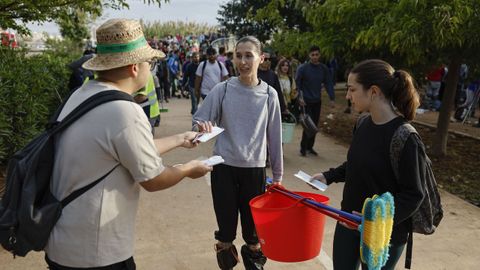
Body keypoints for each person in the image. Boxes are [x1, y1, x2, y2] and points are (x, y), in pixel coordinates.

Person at [44, 19, 212, 270]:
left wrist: (179, 139)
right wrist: (188, 169)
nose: (151, 69)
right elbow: (153, 179)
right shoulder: (124, 111)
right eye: (150, 63)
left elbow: (121, 151)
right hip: (97, 251)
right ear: (135, 67)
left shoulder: (82, 95)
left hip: (63, 242)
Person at [310, 59, 425, 270]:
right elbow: (357, 163)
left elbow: (414, 195)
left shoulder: (405, 138)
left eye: (352, 89)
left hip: (383, 234)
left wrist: (374, 219)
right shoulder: (363, 123)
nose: (347, 96)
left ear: (373, 91)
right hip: (348, 223)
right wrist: (329, 176)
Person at [192, 36, 283, 270]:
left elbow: (275, 137)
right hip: (223, 169)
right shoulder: (223, 90)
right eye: (238, 55)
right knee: (225, 235)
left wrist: (279, 177)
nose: (243, 61)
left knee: (253, 237)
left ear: (261, 59)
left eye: (248, 56)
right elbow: (199, 120)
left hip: (254, 171)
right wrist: (201, 127)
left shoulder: (270, 95)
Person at [295, 45, 335, 157]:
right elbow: (297, 84)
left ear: (320, 55)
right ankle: (303, 148)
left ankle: (310, 147)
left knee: (315, 124)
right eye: (312, 55)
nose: (315, 57)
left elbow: (328, 83)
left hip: (317, 100)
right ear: (309, 55)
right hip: (305, 101)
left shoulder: (323, 69)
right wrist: (299, 98)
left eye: (317, 54)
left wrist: (332, 98)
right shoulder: (303, 68)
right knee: (308, 124)